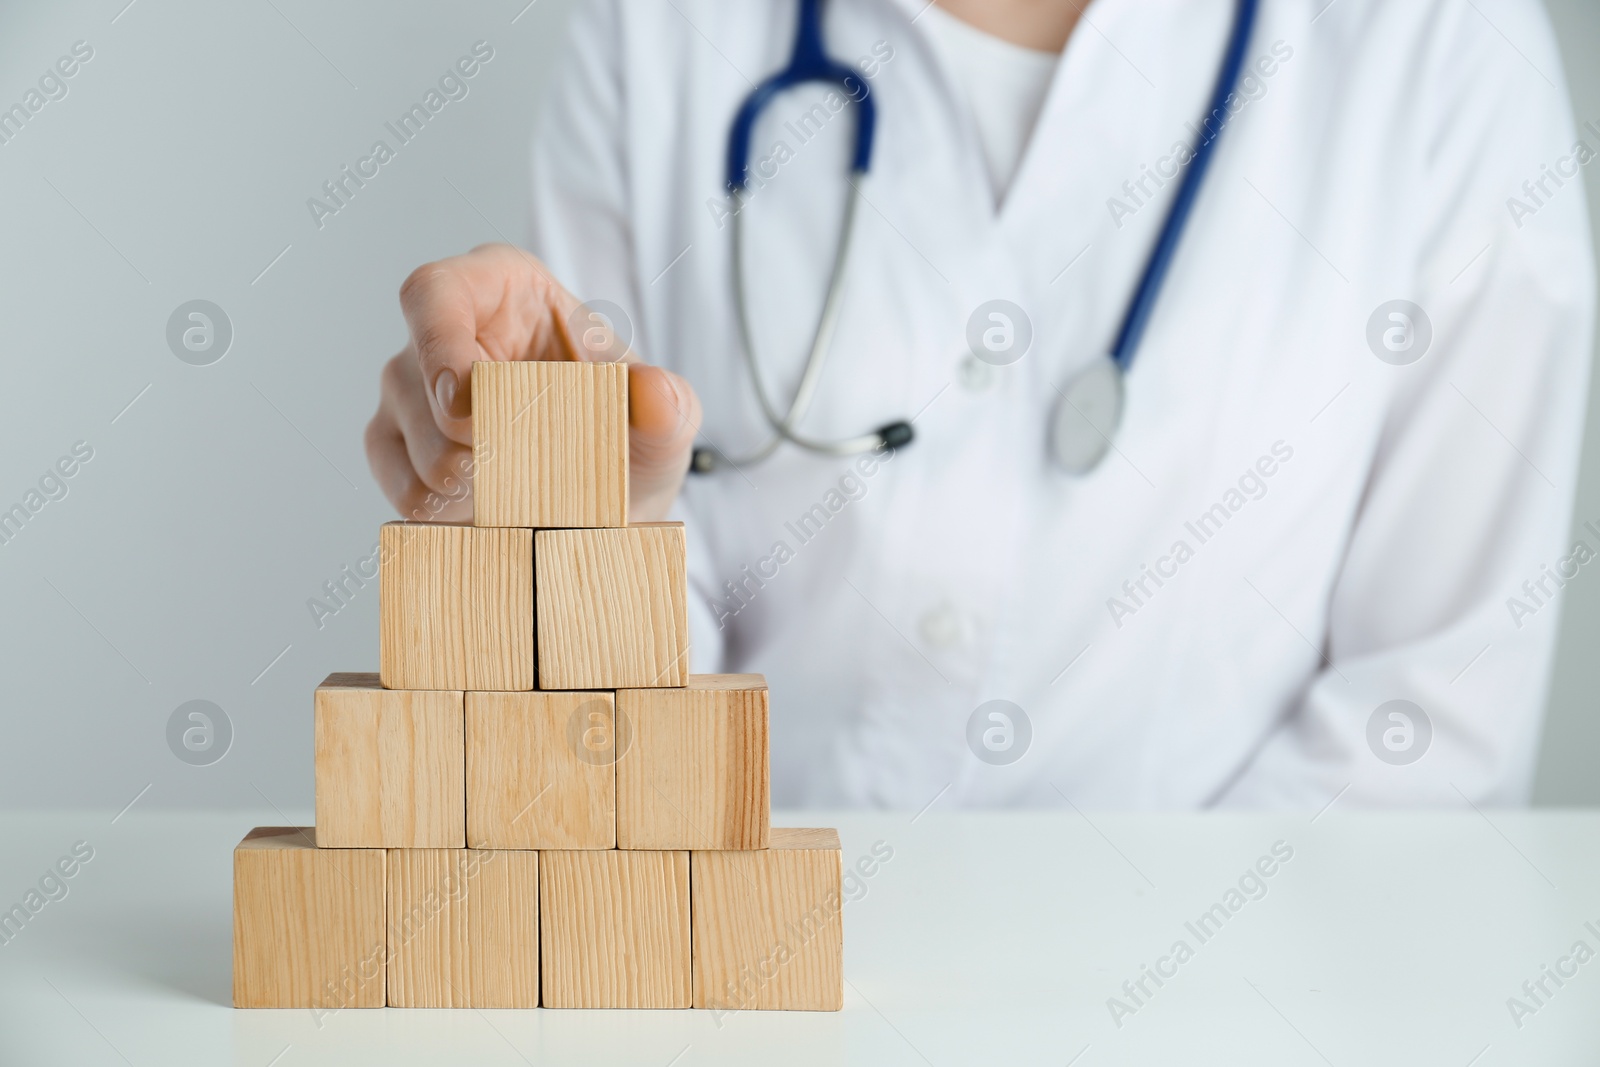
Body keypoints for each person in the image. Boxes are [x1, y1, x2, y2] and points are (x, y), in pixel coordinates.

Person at [365, 0, 1595, 810]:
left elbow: (1422, 740)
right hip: (748, 1003)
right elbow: (607, 747)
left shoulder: (1441, 48)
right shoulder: (665, 30)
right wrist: (548, 518)